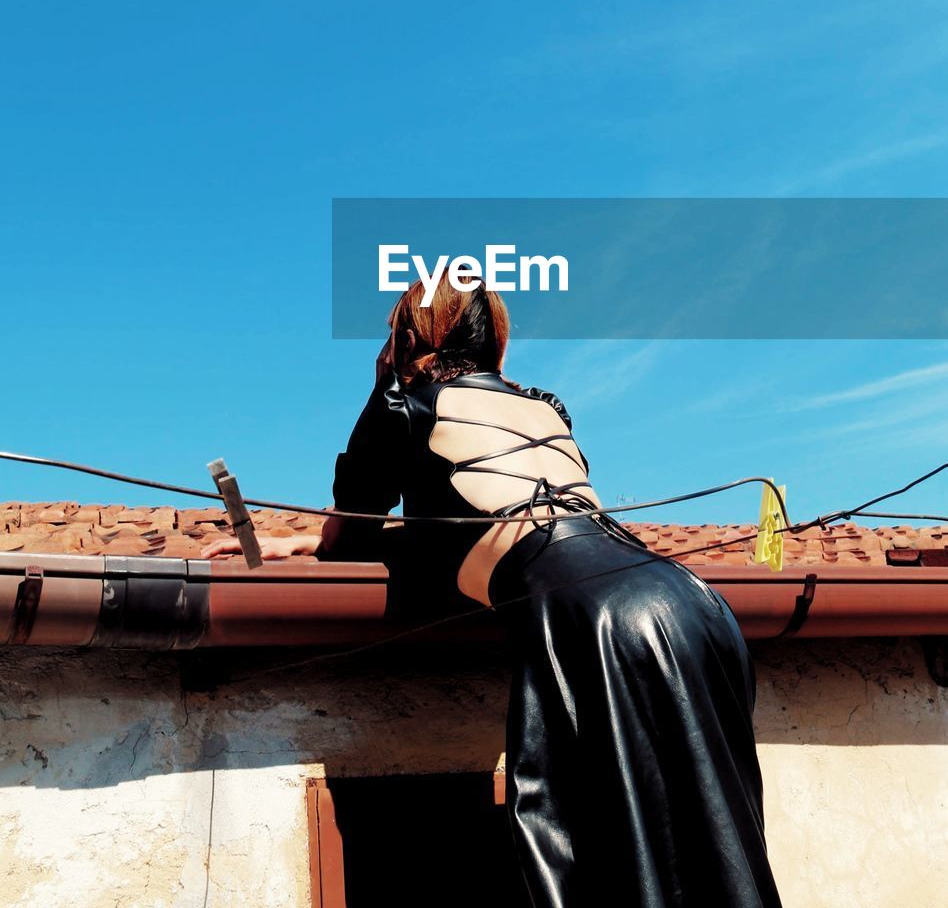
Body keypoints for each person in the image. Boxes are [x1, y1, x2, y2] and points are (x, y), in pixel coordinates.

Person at [204, 278, 784, 908]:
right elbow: (474, 522)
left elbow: (353, 530)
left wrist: (380, 387)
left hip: (590, 617)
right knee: (714, 830)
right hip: (690, 599)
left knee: (604, 856)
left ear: (404, 338)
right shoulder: (545, 408)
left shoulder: (406, 404)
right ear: (497, 343)